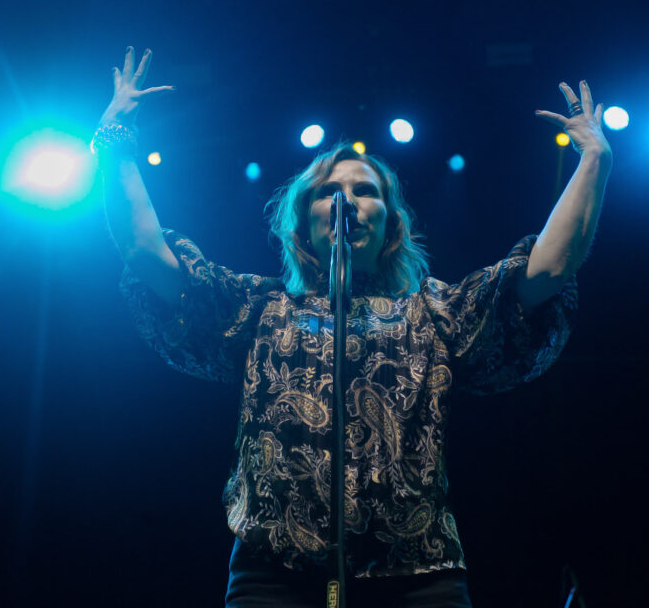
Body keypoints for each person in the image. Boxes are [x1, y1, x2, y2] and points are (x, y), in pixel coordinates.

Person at [93, 47, 612, 607]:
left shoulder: (435, 310)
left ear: (389, 222)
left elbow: (547, 270)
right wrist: (115, 142)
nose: (348, 201)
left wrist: (594, 160)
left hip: (417, 576)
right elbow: (146, 253)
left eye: (366, 191)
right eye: (329, 191)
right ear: (304, 221)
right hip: (275, 576)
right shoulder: (258, 308)